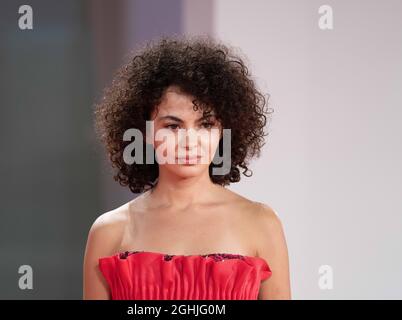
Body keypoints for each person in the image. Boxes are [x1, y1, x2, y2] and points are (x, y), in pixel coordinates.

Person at [83, 36, 291, 300]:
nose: (190, 142)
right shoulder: (109, 231)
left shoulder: (261, 223)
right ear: (145, 133)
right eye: (173, 126)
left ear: (224, 131)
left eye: (205, 125)